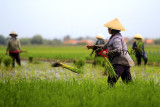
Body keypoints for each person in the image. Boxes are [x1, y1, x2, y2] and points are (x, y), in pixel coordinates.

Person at [87, 18, 134, 86]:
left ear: (111, 29)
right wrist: (94, 47)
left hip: (119, 63)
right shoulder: (114, 37)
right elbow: (104, 46)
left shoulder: (116, 39)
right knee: (128, 83)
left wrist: (107, 53)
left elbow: (118, 50)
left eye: (108, 28)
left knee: (111, 82)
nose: (107, 29)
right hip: (125, 62)